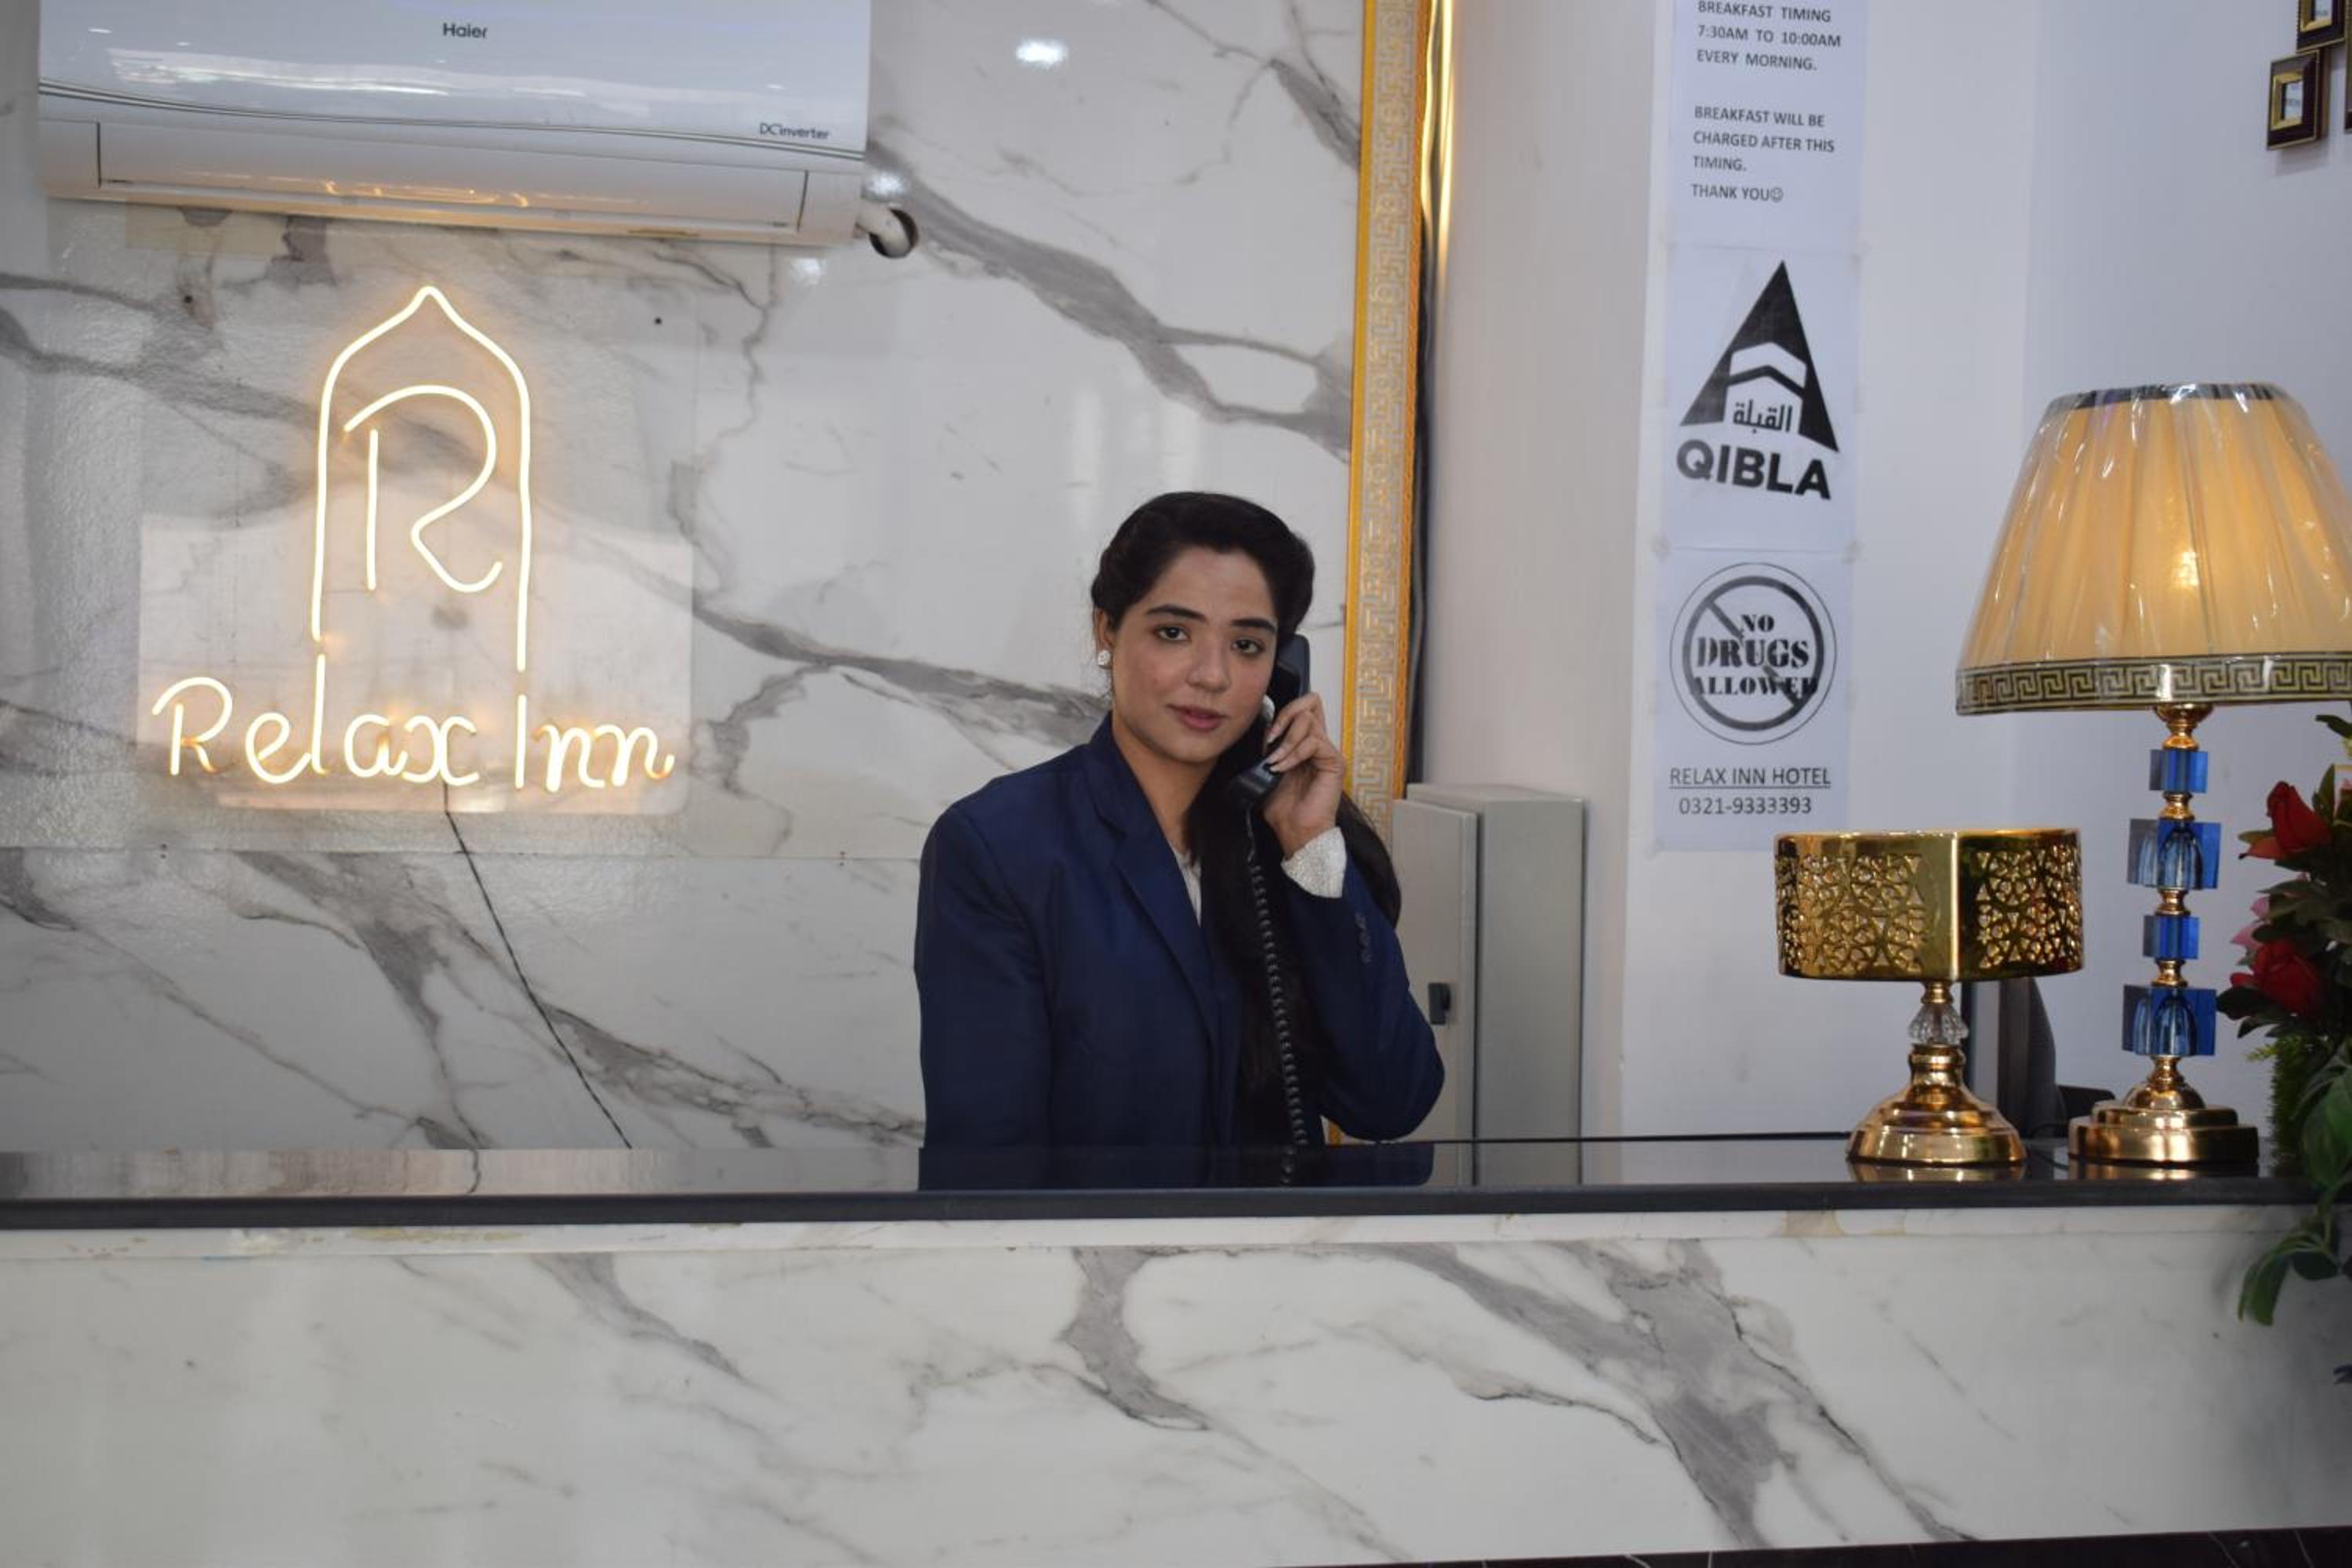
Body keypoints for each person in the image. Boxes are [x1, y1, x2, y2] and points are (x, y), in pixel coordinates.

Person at [915, 492, 1443, 1147]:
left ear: (1281, 668)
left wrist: (1308, 844)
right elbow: (985, 1157)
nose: (1212, 675)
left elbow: (1392, 1102)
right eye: (1174, 633)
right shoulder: (1000, 844)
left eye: (1247, 645)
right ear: (1107, 630)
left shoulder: (1286, 845)